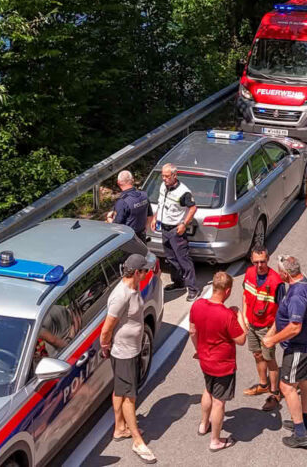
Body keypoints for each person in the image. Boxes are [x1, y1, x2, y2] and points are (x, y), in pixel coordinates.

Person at [101, 254, 158, 464]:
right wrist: (106, 347)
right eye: (144, 271)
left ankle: (120, 428)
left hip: (132, 350)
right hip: (124, 353)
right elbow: (106, 329)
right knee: (129, 397)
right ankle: (137, 441)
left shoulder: (133, 289)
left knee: (120, 390)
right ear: (136, 272)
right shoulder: (121, 295)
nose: (147, 273)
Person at [262, 254, 307, 450]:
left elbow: (295, 327)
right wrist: (274, 329)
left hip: (299, 347)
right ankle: (304, 421)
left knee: (287, 386)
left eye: (280, 272)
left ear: (286, 274)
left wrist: (272, 339)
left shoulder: (297, 295)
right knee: (304, 382)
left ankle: (301, 433)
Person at [188, 271, 247, 452]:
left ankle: (203, 424)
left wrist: (198, 349)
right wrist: (239, 316)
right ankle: (215, 440)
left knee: (208, 389)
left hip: (204, 359)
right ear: (227, 291)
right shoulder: (227, 315)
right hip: (223, 364)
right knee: (219, 401)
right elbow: (241, 339)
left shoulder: (197, 305)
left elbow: (192, 330)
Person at [241, 244, 285, 412]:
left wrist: (273, 332)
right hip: (252, 324)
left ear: (268, 260)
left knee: (269, 359)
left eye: (262, 262)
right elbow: (245, 295)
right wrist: (244, 317)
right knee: (257, 354)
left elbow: (282, 310)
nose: (259, 266)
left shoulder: (276, 282)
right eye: (256, 262)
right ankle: (263, 384)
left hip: (267, 327)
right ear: (252, 260)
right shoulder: (249, 273)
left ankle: (274, 393)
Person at [151, 163, 199, 300]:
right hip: (164, 228)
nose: (164, 179)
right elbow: (161, 204)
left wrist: (184, 223)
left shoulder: (183, 192)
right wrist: (155, 218)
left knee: (184, 260)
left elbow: (193, 208)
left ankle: (193, 289)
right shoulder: (163, 186)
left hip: (175, 230)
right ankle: (178, 283)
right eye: (163, 176)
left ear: (174, 175)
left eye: (167, 176)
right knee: (171, 259)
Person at [107, 170, 151, 241]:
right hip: (142, 238)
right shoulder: (144, 195)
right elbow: (150, 216)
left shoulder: (122, 202)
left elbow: (117, 226)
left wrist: (109, 219)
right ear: (132, 180)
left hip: (128, 240)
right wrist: (144, 229)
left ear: (118, 183)